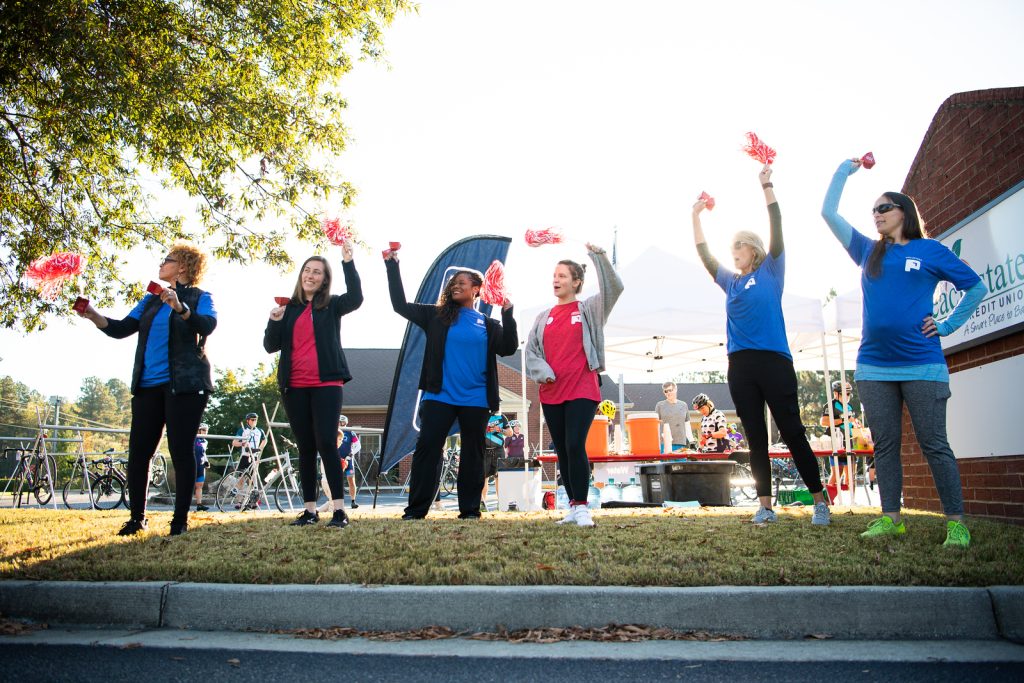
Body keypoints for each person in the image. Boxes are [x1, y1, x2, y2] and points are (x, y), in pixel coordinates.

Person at [821, 157, 987, 547]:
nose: (876, 215)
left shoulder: (930, 250)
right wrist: (845, 170)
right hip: (874, 366)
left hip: (923, 363)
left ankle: (956, 523)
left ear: (903, 212)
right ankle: (891, 518)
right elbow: (828, 212)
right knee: (886, 445)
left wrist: (946, 326)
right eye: (873, 210)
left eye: (883, 208)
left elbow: (975, 287)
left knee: (934, 444)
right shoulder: (867, 251)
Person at [692, 165, 830, 526]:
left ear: (752, 249)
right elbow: (705, 255)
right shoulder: (730, 282)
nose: (733, 253)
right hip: (741, 365)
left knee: (792, 430)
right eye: (731, 248)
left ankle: (819, 502)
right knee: (755, 437)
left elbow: (777, 223)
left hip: (775, 362)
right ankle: (766, 507)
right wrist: (696, 217)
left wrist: (766, 185)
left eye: (738, 247)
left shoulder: (772, 269)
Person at [77, 240, 216, 536]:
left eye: (166, 260)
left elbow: (207, 325)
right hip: (147, 385)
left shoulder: (200, 296)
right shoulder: (151, 300)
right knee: (139, 452)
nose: (160, 264)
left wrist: (180, 307)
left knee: (181, 450)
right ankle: (137, 518)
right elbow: (121, 328)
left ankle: (179, 521)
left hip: (186, 386)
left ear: (183, 266)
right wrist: (93, 314)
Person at [385, 251, 518, 520]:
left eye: (462, 283)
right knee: (428, 449)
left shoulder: (487, 325)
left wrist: (507, 311)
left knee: (473, 453)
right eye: (453, 283)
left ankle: (469, 510)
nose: (456, 286)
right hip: (440, 396)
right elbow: (400, 305)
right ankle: (416, 510)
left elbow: (508, 347)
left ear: (477, 290)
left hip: (476, 399)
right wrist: (392, 265)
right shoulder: (436, 316)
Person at [264, 242, 363, 529]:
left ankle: (339, 511)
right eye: (307, 270)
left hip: (326, 384)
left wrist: (348, 262)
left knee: (326, 443)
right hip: (294, 386)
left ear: (324, 279)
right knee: (305, 447)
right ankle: (309, 510)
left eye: (317, 272)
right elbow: (271, 346)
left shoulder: (331, 305)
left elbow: (356, 298)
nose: (310, 275)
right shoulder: (288, 308)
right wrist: (273, 321)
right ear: (301, 275)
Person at [525, 243, 623, 527]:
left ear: (577, 281)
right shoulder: (543, 317)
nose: (556, 280)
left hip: (582, 388)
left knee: (574, 443)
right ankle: (572, 505)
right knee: (563, 451)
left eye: (563, 276)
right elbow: (531, 351)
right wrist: (543, 371)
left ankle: (583, 507)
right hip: (552, 392)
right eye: (554, 276)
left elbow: (614, 288)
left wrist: (599, 256)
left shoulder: (589, 308)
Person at [820, 381, 859, 491]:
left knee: (851, 475)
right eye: (845, 394)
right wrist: (843, 419)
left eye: (849, 394)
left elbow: (851, 421)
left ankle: (852, 501)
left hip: (850, 442)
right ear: (836, 394)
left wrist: (856, 423)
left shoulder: (850, 406)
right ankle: (828, 499)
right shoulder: (830, 405)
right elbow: (824, 422)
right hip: (837, 442)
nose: (847, 396)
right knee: (837, 473)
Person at [320, 415, 362, 512]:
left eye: (343, 423)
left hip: (348, 460)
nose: (342, 424)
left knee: (351, 480)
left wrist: (351, 454)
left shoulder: (351, 432)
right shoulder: (334, 432)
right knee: (334, 480)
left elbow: (358, 445)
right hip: (336, 459)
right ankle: (332, 501)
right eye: (340, 422)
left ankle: (353, 501)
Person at [481, 412, 510, 511]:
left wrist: (500, 430)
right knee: (483, 477)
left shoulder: (502, 417)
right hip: (485, 450)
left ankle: (501, 503)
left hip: (498, 450)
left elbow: (510, 433)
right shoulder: (482, 415)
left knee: (499, 477)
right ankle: (482, 503)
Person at [655, 382, 695, 451]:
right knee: (666, 462)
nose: (668, 393)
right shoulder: (659, 405)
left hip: (681, 443)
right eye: (666, 391)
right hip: (664, 444)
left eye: (670, 390)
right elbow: (656, 425)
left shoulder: (683, 405)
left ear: (675, 389)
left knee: (680, 462)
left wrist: (691, 441)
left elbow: (687, 425)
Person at [193, 423, 210, 512]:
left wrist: (206, 461)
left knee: (200, 485)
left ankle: (199, 504)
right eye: (203, 430)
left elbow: (203, 453)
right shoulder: (193, 438)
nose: (205, 432)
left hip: (201, 465)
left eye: (206, 430)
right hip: (192, 465)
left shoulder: (205, 441)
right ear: (199, 430)